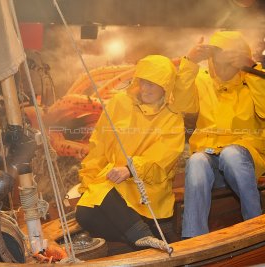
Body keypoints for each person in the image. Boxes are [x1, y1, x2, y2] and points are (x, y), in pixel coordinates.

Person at [175, 31, 265, 238]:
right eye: (216, 60)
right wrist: (189, 62)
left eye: (229, 61)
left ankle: (256, 227)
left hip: (244, 163)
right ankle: (193, 240)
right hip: (210, 165)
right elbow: (180, 104)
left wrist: (252, 69)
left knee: (231, 154)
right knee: (197, 160)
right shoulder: (201, 79)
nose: (221, 67)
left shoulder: (255, 80)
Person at [75, 55, 185, 248]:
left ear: (166, 86)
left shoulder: (173, 116)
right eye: (143, 82)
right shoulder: (119, 102)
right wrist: (88, 179)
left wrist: (131, 168)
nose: (145, 89)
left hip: (147, 185)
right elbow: (99, 145)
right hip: (113, 180)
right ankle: (141, 241)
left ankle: (142, 236)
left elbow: (164, 157)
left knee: (101, 200)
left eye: (152, 84)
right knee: (84, 211)